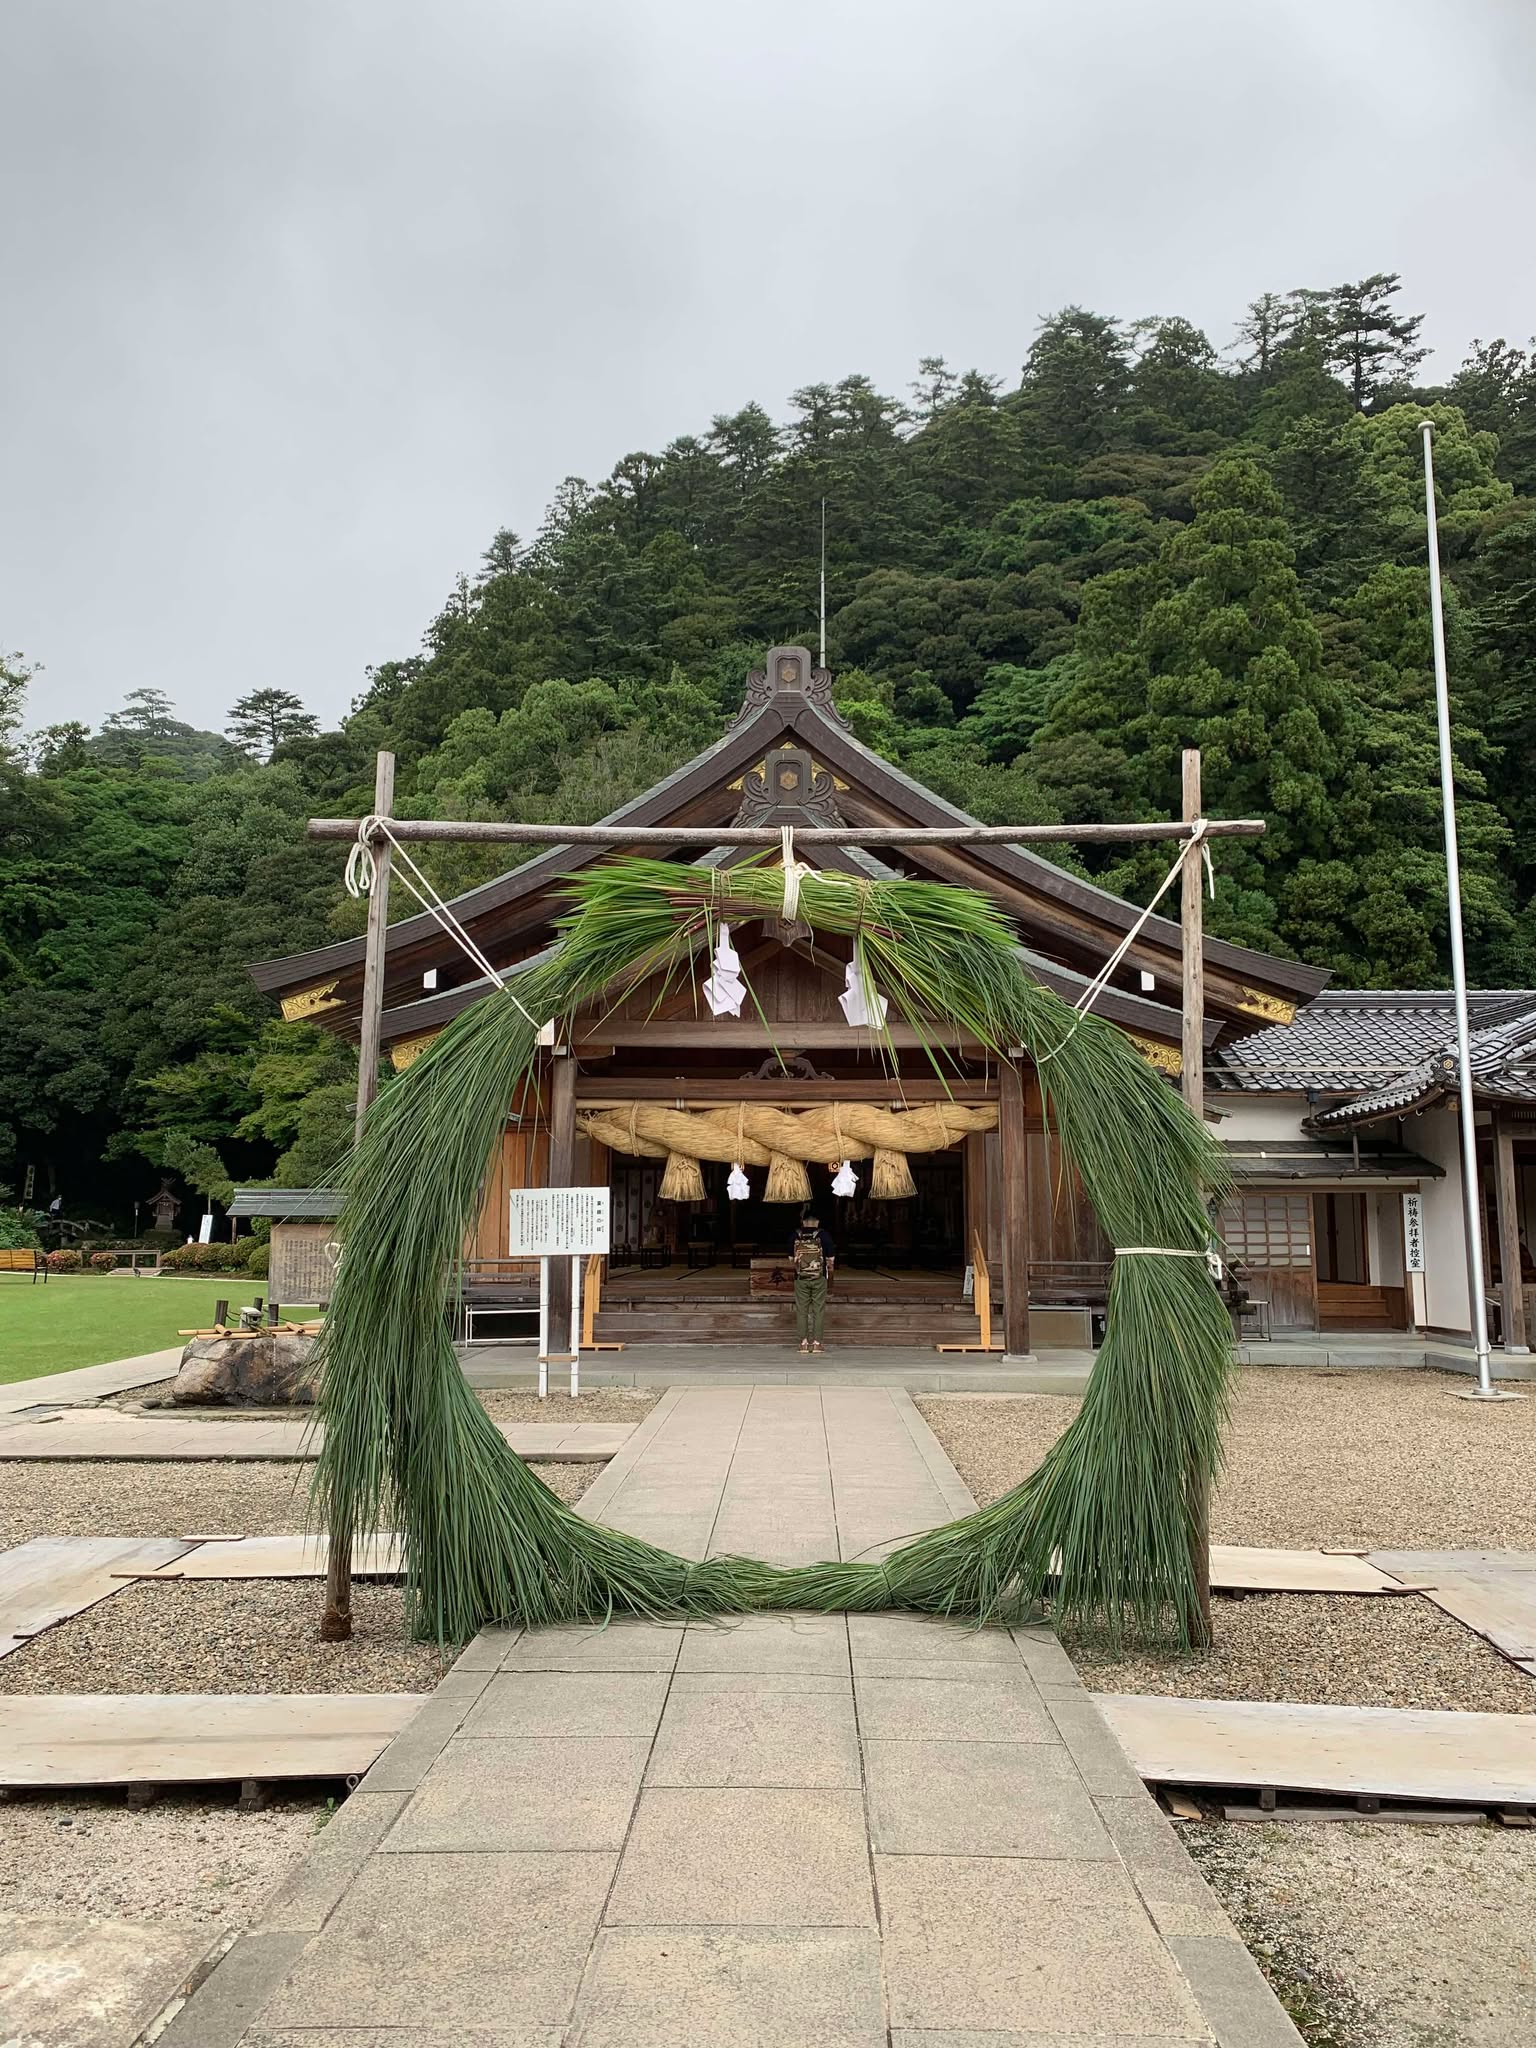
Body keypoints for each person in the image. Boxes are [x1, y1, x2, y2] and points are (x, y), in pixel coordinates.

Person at [792, 1207, 835, 1354]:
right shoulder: (824, 1236)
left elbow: (791, 1259)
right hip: (819, 1277)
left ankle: (803, 1343)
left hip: (800, 1278)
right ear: (817, 1222)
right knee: (819, 1310)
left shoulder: (795, 1235)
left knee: (802, 1311)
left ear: (803, 1222)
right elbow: (831, 1260)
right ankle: (817, 1343)